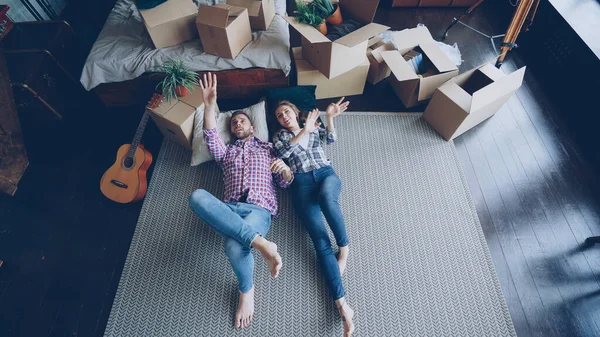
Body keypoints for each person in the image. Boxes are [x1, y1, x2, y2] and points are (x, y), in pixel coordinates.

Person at [189, 73, 294, 329]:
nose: (237, 124)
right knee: (196, 196)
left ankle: (246, 292)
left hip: (259, 209)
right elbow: (210, 132)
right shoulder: (226, 153)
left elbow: (285, 182)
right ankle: (261, 243)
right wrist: (210, 104)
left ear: (252, 127)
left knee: (234, 247)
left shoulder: (269, 148)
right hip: (229, 207)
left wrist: (285, 170)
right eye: (234, 122)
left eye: (242, 120)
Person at [272, 98, 355, 337]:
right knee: (319, 241)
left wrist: (329, 118)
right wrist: (304, 132)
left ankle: (345, 249)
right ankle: (343, 307)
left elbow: (331, 140)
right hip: (301, 185)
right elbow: (285, 153)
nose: (284, 116)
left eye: (287, 111)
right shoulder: (279, 138)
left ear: (295, 112)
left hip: (325, 173)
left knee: (329, 200)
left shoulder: (312, 125)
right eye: (279, 115)